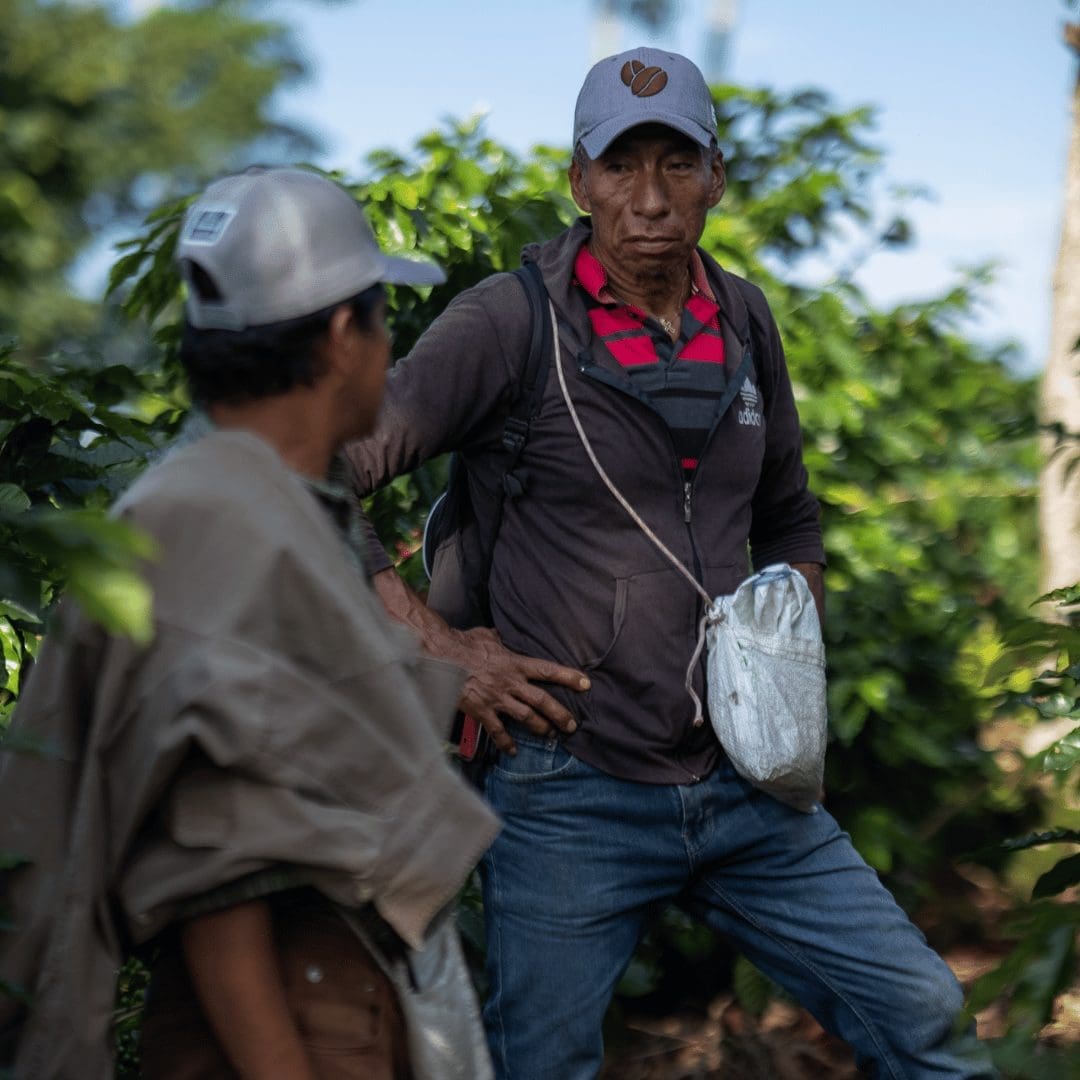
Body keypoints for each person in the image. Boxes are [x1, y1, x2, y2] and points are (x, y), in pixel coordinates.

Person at [344, 47, 996, 1080]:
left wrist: (784, 672)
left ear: (716, 177)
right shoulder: (508, 323)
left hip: (744, 782)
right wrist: (438, 644)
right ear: (579, 180)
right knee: (542, 1067)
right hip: (567, 788)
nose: (650, 198)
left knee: (923, 1014)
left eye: (677, 163)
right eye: (621, 165)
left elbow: (788, 515)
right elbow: (321, 474)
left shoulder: (742, 318)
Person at [0, 167, 500, 1080]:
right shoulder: (223, 522)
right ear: (345, 335)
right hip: (284, 1018)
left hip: (322, 990)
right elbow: (219, 887)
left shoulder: (259, 502)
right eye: (383, 318)